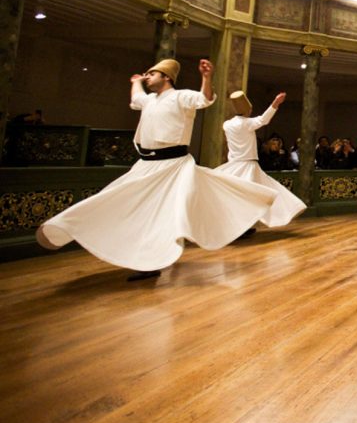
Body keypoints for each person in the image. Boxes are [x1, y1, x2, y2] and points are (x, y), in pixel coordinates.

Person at [36, 59, 277, 280]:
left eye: (153, 74)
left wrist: (206, 77)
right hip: (145, 165)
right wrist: (136, 82)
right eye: (148, 74)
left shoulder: (181, 96)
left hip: (173, 165)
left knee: (160, 214)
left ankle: (150, 261)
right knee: (115, 198)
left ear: (167, 77)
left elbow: (205, 99)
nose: (148, 76)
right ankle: (70, 226)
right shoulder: (149, 100)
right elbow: (136, 99)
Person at [216, 90, 307, 229]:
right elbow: (264, 119)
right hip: (248, 165)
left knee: (238, 197)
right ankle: (242, 226)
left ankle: (243, 226)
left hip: (233, 166)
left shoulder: (227, 124)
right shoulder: (246, 124)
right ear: (248, 109)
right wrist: (276, 103)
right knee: (257, 195)